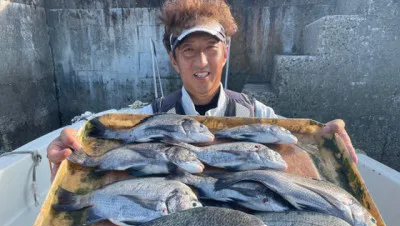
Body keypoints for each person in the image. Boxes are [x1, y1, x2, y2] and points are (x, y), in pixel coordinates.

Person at [47, 0, 357, 181]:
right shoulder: (147, 119)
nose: (202, 61)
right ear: (173, 59)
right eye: (189, 51)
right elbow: (99, 142)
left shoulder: (258, 116)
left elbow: (300, 142)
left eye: (211, 48)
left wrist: (325, 137)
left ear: (225, 53)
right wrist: (67, 153)